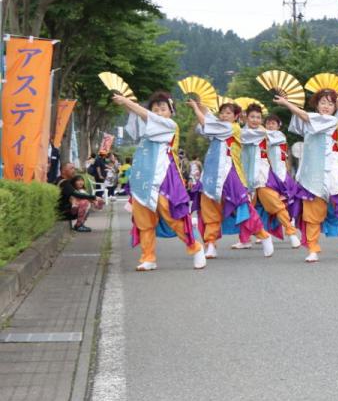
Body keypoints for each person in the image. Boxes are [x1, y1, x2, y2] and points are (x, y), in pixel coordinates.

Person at [274, 88, 338, 263]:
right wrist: (290, 102)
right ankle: (313, 249)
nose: (326, 106)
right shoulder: (311, 119)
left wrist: (287, 104)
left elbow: (305, 116)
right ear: (316, 104)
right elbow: (301, 120)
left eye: (330, 103)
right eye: (323, 102)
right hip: (312, 173)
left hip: (333, 172)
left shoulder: (331, 120)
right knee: (312, 214)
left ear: (335, 107)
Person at [111, 91, 206, 271]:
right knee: (143, 219)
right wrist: (127, 106)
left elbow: (147, 117)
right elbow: (138, 124)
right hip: (143, 177)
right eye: (155, 109)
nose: (159, 112)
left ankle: (196, 247)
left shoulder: (170, 125)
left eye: (163, 109)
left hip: (164, 176)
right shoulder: (149, 125)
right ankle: (148, 257)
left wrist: (127, 102)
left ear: (171, 111)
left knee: (173, 215)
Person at [188, 99, 273, 259]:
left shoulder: (232, 127)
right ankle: (210, 244)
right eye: (222, 113)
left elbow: (206, 123)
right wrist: (201, 106)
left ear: (236, 116)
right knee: (208, 210)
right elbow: (209, 121)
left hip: (228, 173)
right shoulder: (218, 127)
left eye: (228, 113)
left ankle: (263, 235)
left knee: (242, 207)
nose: (224, 115)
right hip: (210, 175)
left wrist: (195, 109)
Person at [236, 103, 302, 249]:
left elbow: (276, 138)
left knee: (276, 205)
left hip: (263, 177)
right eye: (252, 117)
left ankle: (291, 233)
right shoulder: (241, 132)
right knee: (244, 208)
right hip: (245, 178)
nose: (255, 120)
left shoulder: (270, 134)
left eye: (258, 117)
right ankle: (245, 239)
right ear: (247, 117)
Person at [57, 164, 102, 232]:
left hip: (64, 210)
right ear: (63, 171)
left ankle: (80, 224)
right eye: (71, 168)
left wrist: (93, 199)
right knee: (85, 202)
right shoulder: (64, 182)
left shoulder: (65, 181)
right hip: (62, 213)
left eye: (74, 168)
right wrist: (94, 197)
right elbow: (77, 194)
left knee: (85, 200)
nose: (74, 171)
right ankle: (79, 226)